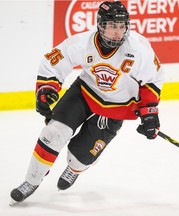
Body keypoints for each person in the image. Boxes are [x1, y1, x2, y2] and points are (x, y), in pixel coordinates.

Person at [10, 0, 164, 204]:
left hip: (116, 107)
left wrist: (150, 113)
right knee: (53, 133)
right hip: (85, 92)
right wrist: (47, 88)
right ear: (100, 25)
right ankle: (31, 180)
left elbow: (153, 79)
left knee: (79, 158)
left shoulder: (139, 48)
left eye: (121, 26)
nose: (118, 32)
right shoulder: (83, 42)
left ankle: (75, 168)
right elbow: (53, 61)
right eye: (112, 26)